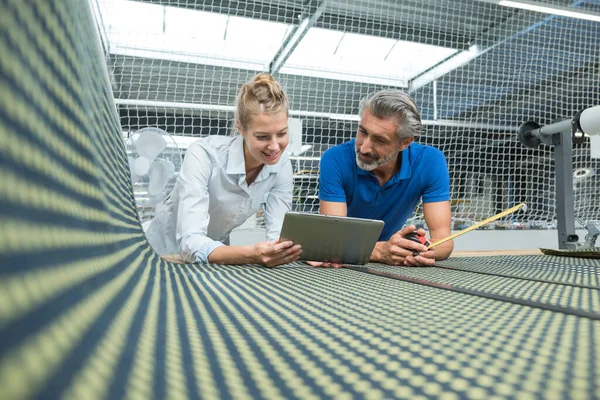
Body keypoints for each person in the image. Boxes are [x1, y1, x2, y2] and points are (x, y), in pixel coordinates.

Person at [145, 73, 302, 266]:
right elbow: (190, 243)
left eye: (282, 134)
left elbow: (278, 236)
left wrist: (293, 252)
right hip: (160, 254)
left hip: (213, 258)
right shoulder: (203, 155)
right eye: (262, 137)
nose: (275, 146)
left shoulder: (282, 166)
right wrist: (251, 254)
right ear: (241, 128)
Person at [317, 89, 453, 267]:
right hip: (345, 265)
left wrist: (425, 250)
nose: (364, 148)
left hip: (394, 259)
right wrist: (381, 251)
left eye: (380, 140)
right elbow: (332, 242)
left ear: (406, 142)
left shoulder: (430, 161)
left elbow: (444, 239)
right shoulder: (334, 159)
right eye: (363, 132)